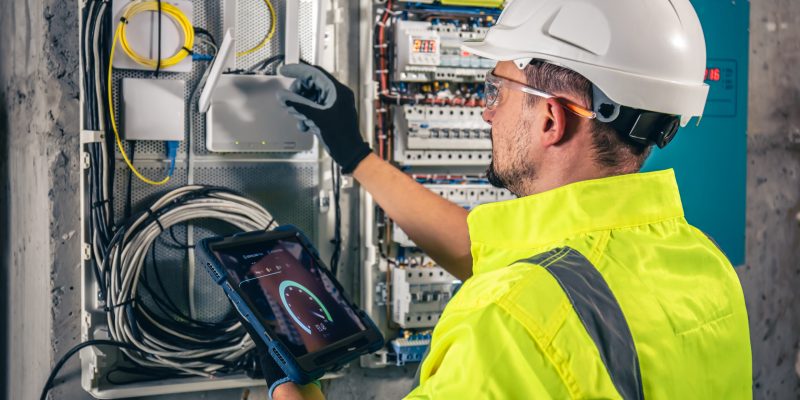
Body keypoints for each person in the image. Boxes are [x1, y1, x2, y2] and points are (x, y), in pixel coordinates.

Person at [256, 0, 753, 398]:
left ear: (550, 121)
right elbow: (488, 255)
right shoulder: (704, 265)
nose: (486, 115)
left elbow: (526, 302)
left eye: (497, 92)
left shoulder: (510, 317)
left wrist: (288, 385)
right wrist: (355, 153)